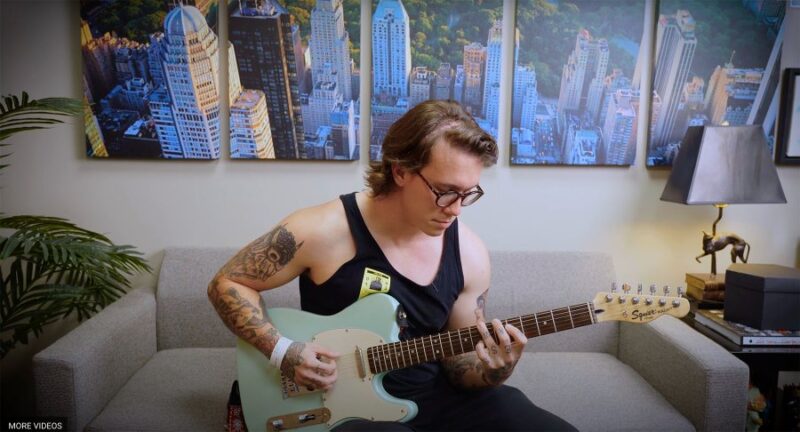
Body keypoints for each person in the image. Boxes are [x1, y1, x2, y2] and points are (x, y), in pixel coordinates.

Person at [208, 100, 576, 431]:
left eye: (467, 194)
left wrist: (494, 370)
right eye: (444, 191)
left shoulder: (470, 253)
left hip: (435, 399)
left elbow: (459, 368)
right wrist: (283, 351)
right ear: (400, 171)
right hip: (341, 409)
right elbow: (227, 283)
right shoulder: (323, 230)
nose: (455, 209)